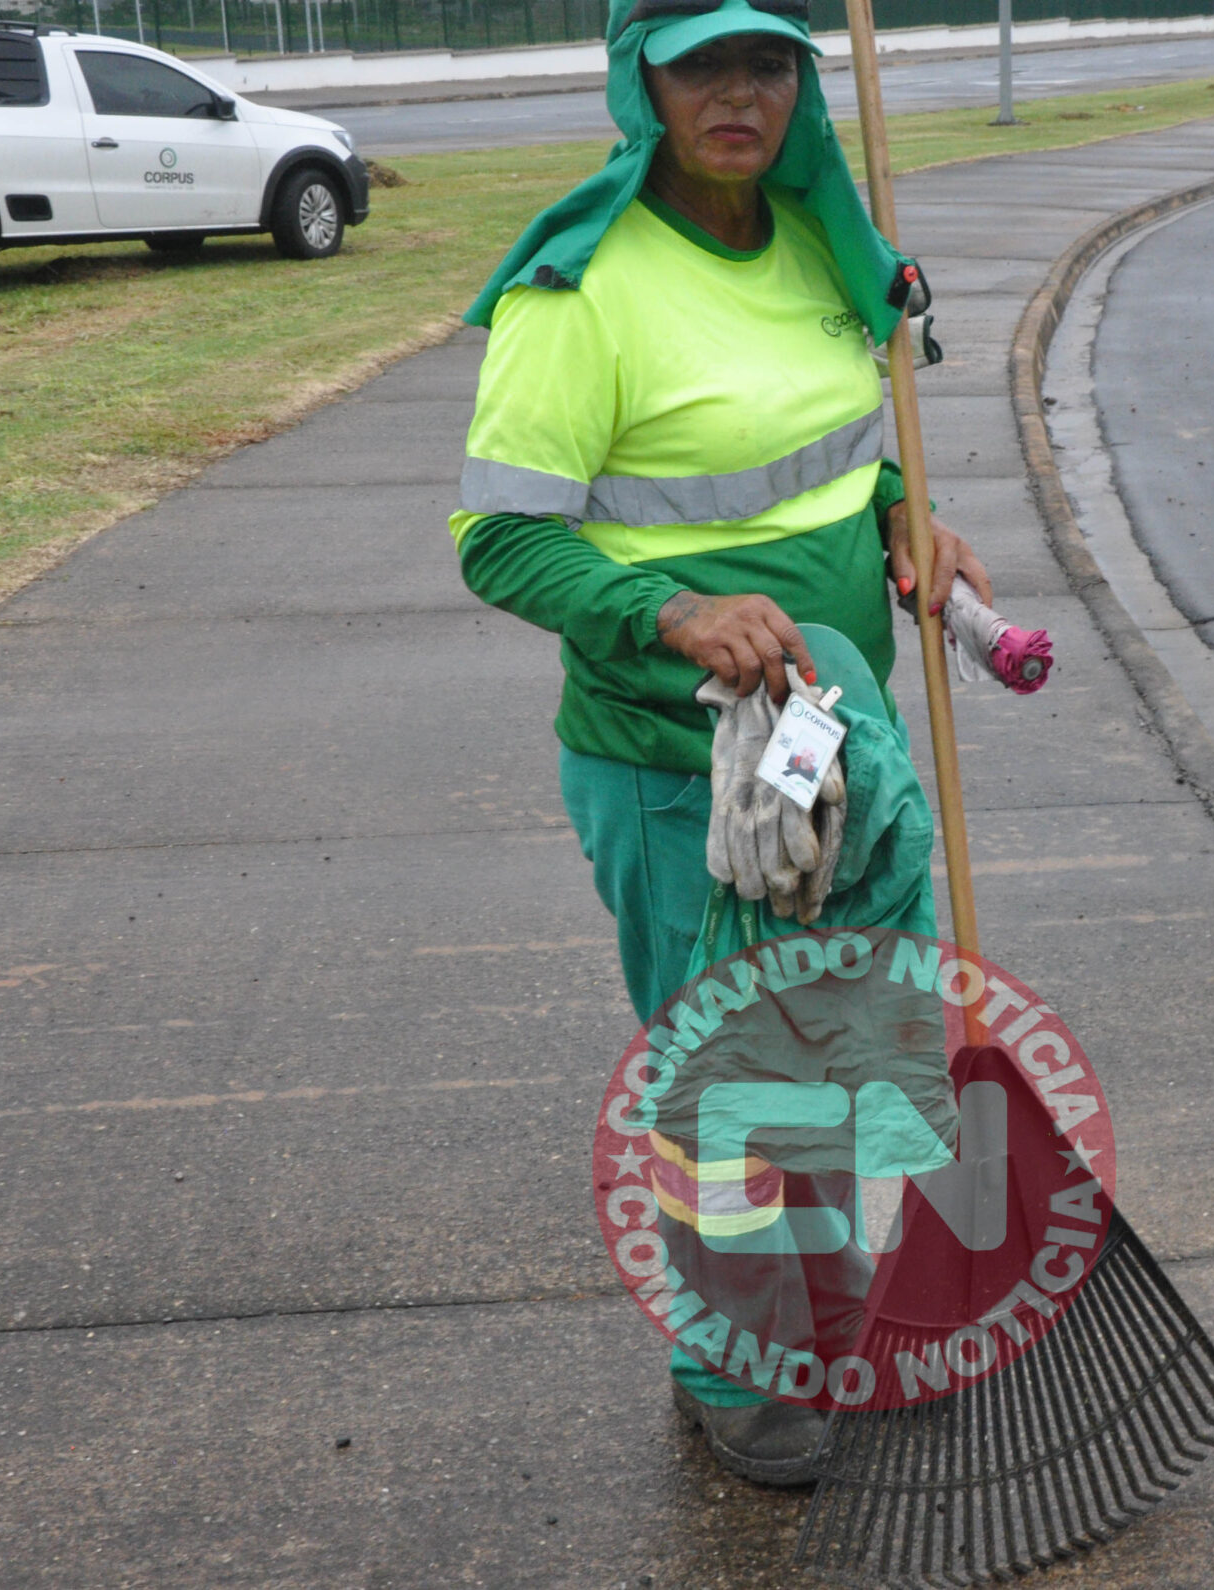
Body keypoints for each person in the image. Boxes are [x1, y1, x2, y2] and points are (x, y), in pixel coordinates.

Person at [449, 0, 990, 1485]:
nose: (738, 95)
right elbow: (498, 541)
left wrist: (902, 515)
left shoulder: (828, 248)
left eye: (767, 63)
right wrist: (672, 613)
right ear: (644, 83)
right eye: (704, 66)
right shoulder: (584, 290)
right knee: (728, 1089)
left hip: (833, 759)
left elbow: (850, 446)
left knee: (830, 1065)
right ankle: (732, 1364)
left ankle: (830, 1327)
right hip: (673, 766)